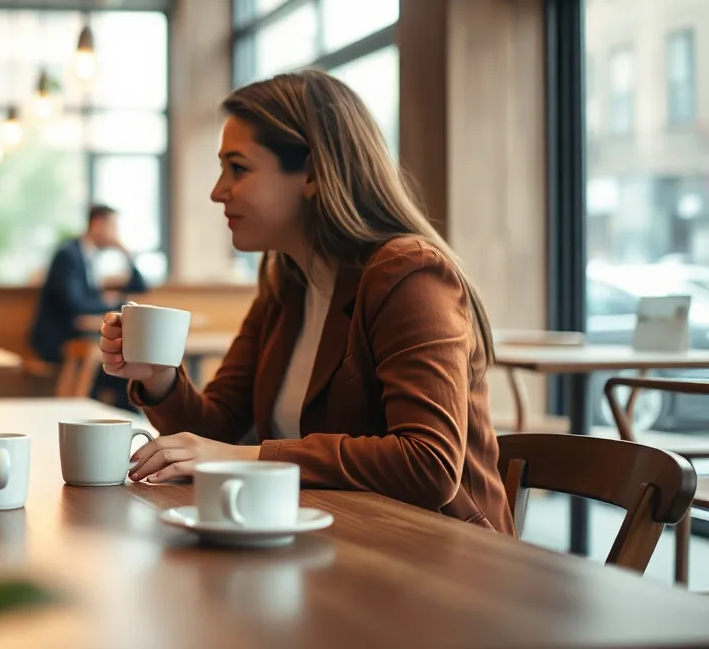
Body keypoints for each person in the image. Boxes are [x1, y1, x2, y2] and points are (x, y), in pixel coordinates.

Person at [98, 71, 513, 533]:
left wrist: (251, 458)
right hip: (337, 541)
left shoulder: (409, 273)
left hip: (444, 560)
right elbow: (220, 432)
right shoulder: (286, 282)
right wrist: (157, 378)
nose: (218, 191)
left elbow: (428, 463)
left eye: (238, 168)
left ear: (313, 173)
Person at [29, 204, 147, 408]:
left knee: (126, 371)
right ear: (97, 224)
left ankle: (117, 425)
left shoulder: (90, 257)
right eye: (113, 227)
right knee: (122, 374)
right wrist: (107, 303)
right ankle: (104, 424)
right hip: (58, 341)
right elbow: (74, 303)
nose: (115, 234)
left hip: (83, 340)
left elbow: (141, 286)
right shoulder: (69, 255)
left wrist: (126, 253)